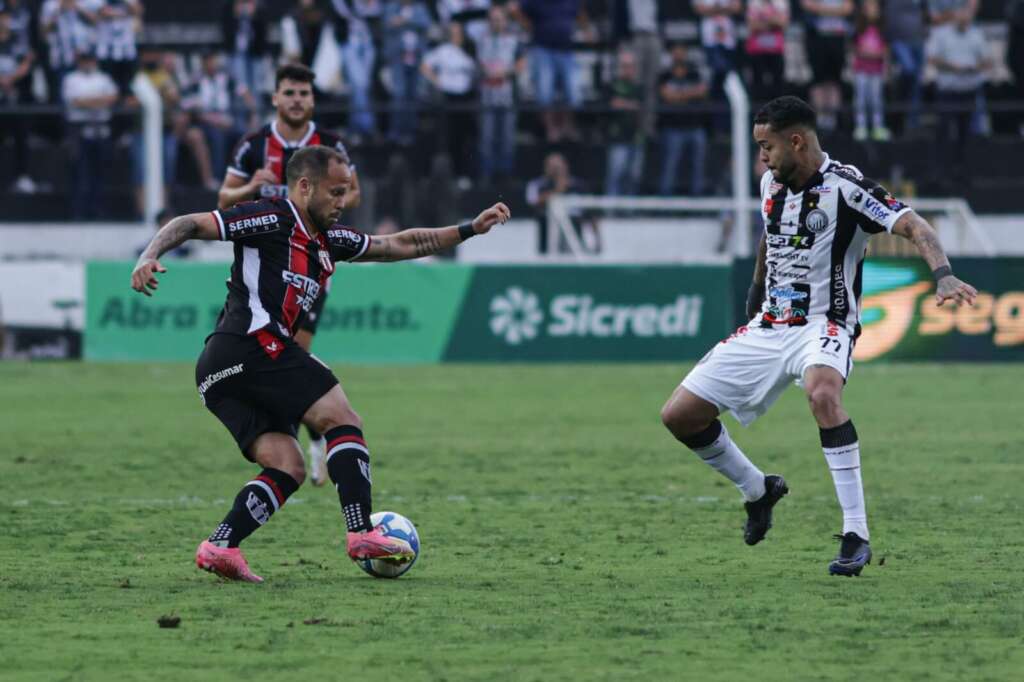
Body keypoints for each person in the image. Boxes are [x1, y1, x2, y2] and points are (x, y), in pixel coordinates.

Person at [131, 144, 511, 582]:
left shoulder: (330, 239)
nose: (342, 201)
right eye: (335, 192)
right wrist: (148, 255)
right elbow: (189, 223)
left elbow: (399, 243)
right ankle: (361, 532)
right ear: (305, 186)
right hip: (251, 345)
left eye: (345, 192)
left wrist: (469, 229)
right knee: (342, 418)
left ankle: (221, 545)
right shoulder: (271, 217)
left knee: (287, 465)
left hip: (218, 369)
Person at [659, 96, 977, 577]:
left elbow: (913, 225)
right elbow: (771, 233)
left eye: (766, 147)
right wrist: (756, 290)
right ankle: (758, 490)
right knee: (679, 416)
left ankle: (856, 534)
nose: (762, 157)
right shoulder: (771, 183)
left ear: (796, 141)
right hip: (770, 325)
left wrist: (944, 274)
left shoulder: (847, 188)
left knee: (823, 394)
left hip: (825, 323)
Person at [218, 62, 362, 486]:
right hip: (266, 267)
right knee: (282, 353)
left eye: (304, 93)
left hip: (309, 265)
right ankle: (305, 440)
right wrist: (251, 187)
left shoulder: (330, 145)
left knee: (295, 349)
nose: (297, 100)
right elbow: (224, 197)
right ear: (276, 98)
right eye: (290, 93)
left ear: (312, 100)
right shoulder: (254, 146)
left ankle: (313, 439)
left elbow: (354, 193)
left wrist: (324, 197)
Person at [63, 48, 118, 220]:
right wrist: (99, 101)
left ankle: (99, 211)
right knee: (80, 171)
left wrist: (89, 101)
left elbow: (113, 98)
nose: (87, 63)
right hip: (79, 129)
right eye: (84, 60)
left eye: (90, 60)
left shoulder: (104, 78)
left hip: (101, 129)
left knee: (101, 171)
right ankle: (78, 212)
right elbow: (75, 101)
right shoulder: (71, 78)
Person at [476, 4, 524, 184]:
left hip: (507, 95)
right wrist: (486, 71)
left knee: (507, 137)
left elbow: (521, 64)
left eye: (499, 19)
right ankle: (486, 175)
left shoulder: (513, 40)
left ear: (505, 21)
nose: (496, 23)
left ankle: (506, 175)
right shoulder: (482, 40)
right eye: (493, 20)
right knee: (487, 137)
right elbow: (478, 63)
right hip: (487, 94)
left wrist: (505, 72)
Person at [657, 42, 710, 197]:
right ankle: (665, 199)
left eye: (682, 50)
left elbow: (703, 92)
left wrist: (678, 95)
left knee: (698, 165)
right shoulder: (665, 75)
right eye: (676, 51)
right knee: (670, 165)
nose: (679, 54)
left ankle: (697, 197)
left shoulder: (694, 73)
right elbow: (666, 96)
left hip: (695, 127)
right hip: (673, 128)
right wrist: (690, 93)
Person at [800, 0, 853, 132]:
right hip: (816, 37)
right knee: (818, 80)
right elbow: (807, 5)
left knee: (834, 81)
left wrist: (820, 9)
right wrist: (835, 10)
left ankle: (832, 120)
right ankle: (819, 119)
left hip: (837, 37)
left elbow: (848, 8)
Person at [604, 47, 644, 197]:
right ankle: (610, 206)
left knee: (633, 176)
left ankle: (630, 207)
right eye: (625, 66)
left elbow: (641, 106)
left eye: (631, 66)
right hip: (618, 137)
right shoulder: (612, 85)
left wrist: (624, 104)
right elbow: (613, 103)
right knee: (615, 174)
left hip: (636, 137)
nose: (628, 69)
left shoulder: (639, 87)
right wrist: (629, 104)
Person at [884, 0, 927, 132]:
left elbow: (924, 12)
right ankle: (898, 113)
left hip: (918, 40)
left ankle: (912, 122)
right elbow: (888, 15)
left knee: (917, 82)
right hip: (899, 40)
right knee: (909, 71)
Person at [851, 0, 890, 142]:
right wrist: (872, 54)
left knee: (876, 98)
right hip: (861, 70)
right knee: (860, 98)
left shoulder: (882, 30)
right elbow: (856, 50)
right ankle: (860, 126)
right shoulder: (858, 29)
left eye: (875, 7)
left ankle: (878, 126)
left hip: (877, 71)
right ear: (863, 10)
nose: (872, 10)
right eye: (869, 7)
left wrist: (871, 54)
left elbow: (885, 51)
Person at [743, 0, 789, 102]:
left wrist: (762, 19)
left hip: (776, 50)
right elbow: (752, 26)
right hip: (757, 51)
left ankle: (777, 110)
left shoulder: (780, 3)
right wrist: (773, 21)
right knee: (758, 84)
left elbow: (783, 24)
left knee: (778, 84)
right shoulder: (753, 3)